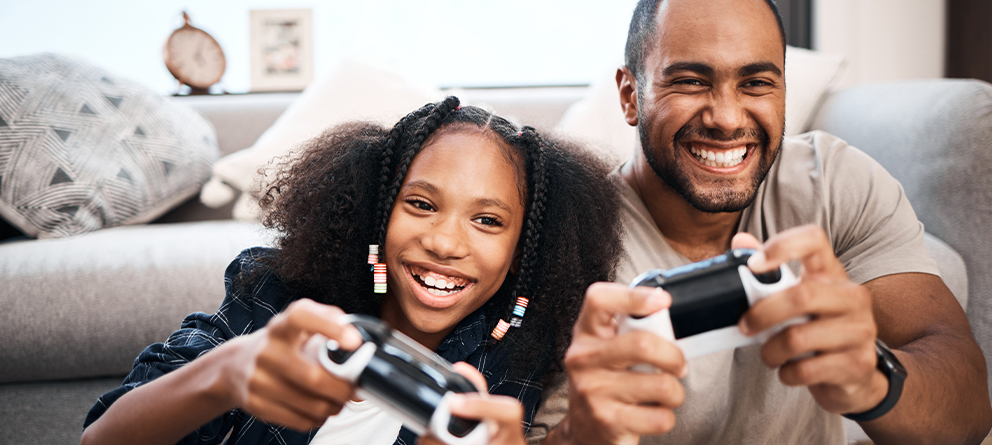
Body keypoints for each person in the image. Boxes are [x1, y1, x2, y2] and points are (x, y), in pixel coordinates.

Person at [528, 1, 992, 444]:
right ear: (631, 96)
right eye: (690, 81)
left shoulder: (832, 184)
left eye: (755, 84)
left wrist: (872, 380)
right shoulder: (568, 234)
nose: (727, 119)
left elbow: (968, 416)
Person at [80, 97, 624, 445]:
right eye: (421, 205)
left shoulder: (523, 351)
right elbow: (102, 438)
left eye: (487, 220)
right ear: (375, 209)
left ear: (526, 249)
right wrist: (226, 372)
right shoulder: (274, 292)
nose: (444, 242)